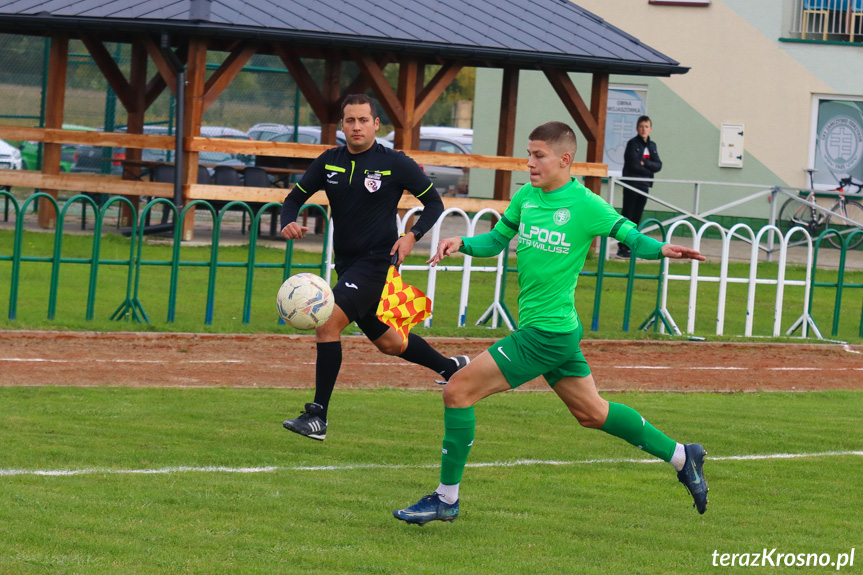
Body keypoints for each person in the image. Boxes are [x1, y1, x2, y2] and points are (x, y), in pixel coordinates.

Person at [393, 121, 708, 526]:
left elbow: (629, 236)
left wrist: (662, 248)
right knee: (592, 413)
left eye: (539, 155)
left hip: (545, 333)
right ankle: (683, 456)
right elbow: (495, 241)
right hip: (557, 330)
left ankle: (445, 499)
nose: (530, 163)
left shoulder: (587, 204)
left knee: (458, 390)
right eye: (528, 154)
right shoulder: (527, 196)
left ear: (565, 159)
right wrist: (462, 244)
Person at [279, 94, 468, 441]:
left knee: (326, 321)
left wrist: (412, 236)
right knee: (391, 344)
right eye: (349, 120)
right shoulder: (329, 162)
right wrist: (288, 221)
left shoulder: (394, 162)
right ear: (342, 125)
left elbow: (433, 202)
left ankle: (317, 416)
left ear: (376, 124)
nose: (356, 126)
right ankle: (450, 367)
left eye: (363, 120)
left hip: (378, 263)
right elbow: (293, 199)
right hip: (347, 266)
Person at [618, 115, 662, 259]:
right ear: (637, 128)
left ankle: (632, 247)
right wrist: (647, 168)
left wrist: (645, 163)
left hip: (644, 187)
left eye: (646, 127)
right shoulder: (632, 144)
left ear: (651, 129)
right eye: (641, 126)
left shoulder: (652, 146)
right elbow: (633, 165)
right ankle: (622, 248)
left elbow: (658, 165)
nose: (644, 129)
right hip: (631, 186)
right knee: (628, 217)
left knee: (637, 218)